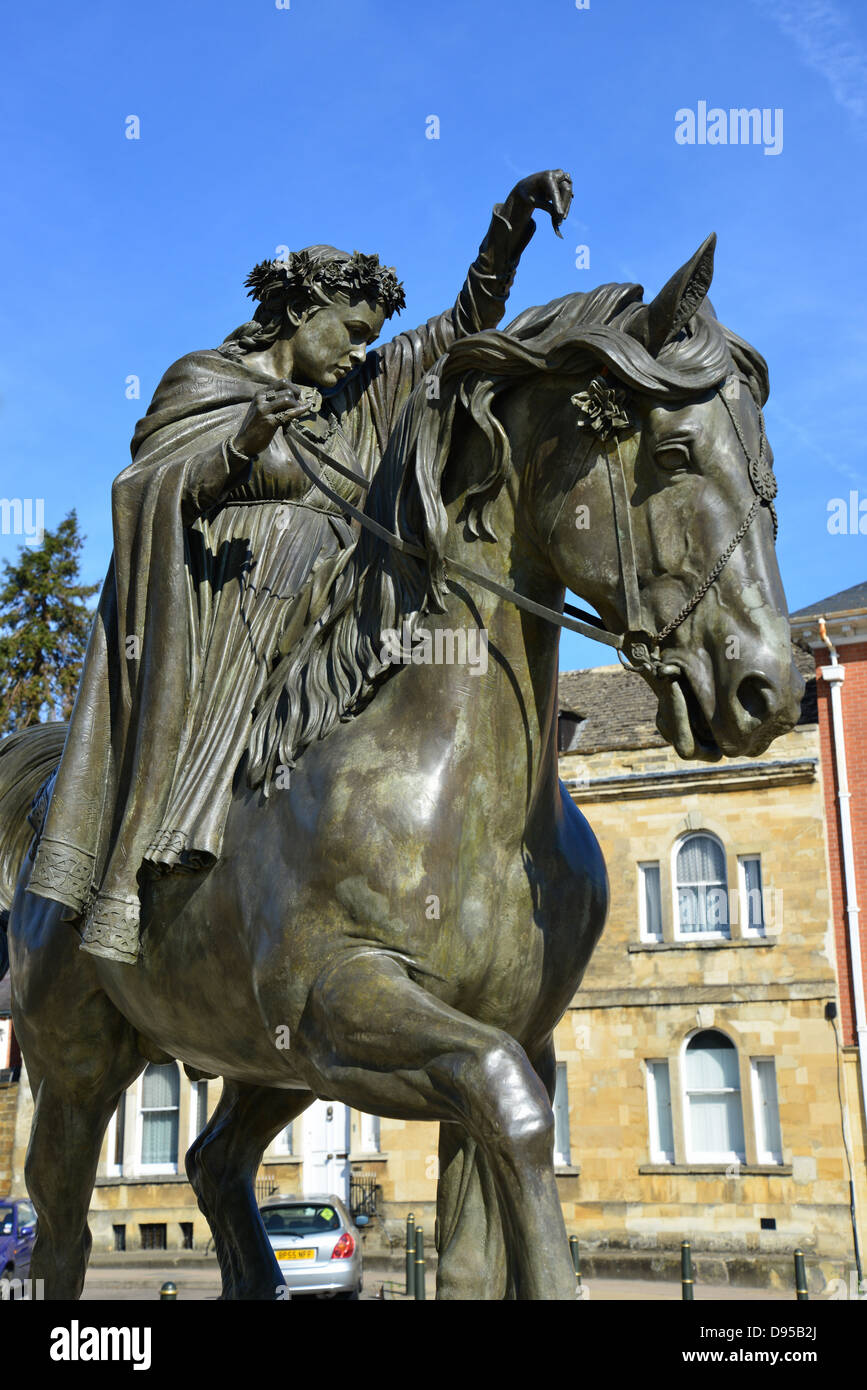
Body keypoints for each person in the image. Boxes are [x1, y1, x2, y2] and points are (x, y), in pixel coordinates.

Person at [27, 170, 573, 964]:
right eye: (349, 329)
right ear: (299, 312)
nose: (361, 348)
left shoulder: (359, 392)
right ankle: (145, 867)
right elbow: (144, 488)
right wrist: (242, 440)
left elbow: (460, 324)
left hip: (335, 603)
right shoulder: (205, 379)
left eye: (368, 336)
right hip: (230, 611)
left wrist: (511, 221)